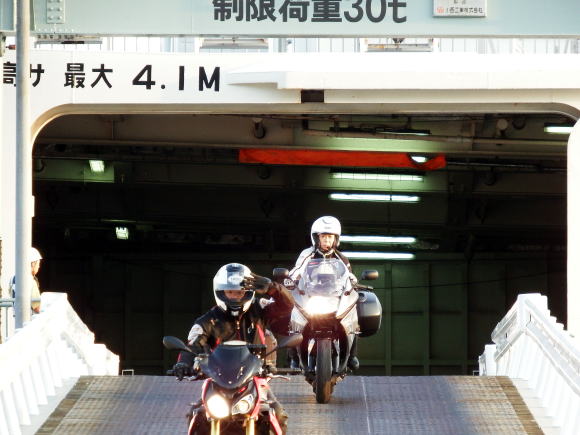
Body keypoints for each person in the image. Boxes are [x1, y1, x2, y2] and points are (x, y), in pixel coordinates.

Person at [172, 263, 294, 433]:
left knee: (277, 414)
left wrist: (272, 288)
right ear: (221, 292)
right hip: (217, 380)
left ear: (248, 292)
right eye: (230, 292)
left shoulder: (259, 308)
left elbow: (287, 306)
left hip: (254, 377)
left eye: (240, 292)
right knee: (196, 415)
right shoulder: (208, 320)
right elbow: (193, 343)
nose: (235, 297)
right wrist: (184, 363)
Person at [287, 216, 360, 370]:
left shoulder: (341, 258)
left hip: (334, 296)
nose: (327, 240)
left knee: (353, 311)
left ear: (336, 239)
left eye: (330, 237)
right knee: (293, 314)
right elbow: (297, 269)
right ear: (316, 238)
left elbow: (349, 276)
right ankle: (293, 356)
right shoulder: (307, 254)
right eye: (323, 237)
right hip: (311, 294)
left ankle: (352, 355)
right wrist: (290, 280)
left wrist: (355, 283)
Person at [9, 247, 43, 314]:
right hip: (30, 318)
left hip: (16, 317)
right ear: (33, 264)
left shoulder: (12, 278)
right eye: (38, 264)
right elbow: (37, 307)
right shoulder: (30, 281)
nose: (39, 267)